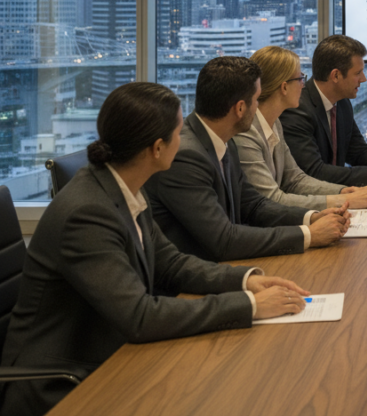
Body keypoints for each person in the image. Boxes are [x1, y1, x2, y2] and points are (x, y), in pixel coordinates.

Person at [0, 83, 310, 416]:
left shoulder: (123, 183)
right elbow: (140, 316)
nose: (185, 138)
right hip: (64, 384)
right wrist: (249, 306)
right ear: (158, 148)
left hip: (116, 357)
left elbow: (172, 264)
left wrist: (246, 281)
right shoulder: (86, 214)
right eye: (179, 132)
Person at [145, 56, 350, 262]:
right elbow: (223, 239)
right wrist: (309, 235)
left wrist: (312, 217)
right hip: (193, 282)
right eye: (257, 99)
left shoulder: (223, 140)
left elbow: (254, 205)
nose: (258, 107)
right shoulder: (186, 156)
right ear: (240, 108)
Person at [235, 46, 367, 211]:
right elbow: (271, 199)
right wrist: (343, 200)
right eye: (300, 79)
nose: (303, 85)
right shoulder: (246, 133)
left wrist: (342, 191)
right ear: (284, 87)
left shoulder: (274, 123)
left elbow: (295, 180)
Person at [279, 35, 367, 187]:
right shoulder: (296, 109)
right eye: (358, 73)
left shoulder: (342, 103)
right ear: (336, 75)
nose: (364, 79)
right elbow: (314, 172)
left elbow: (358, 152)